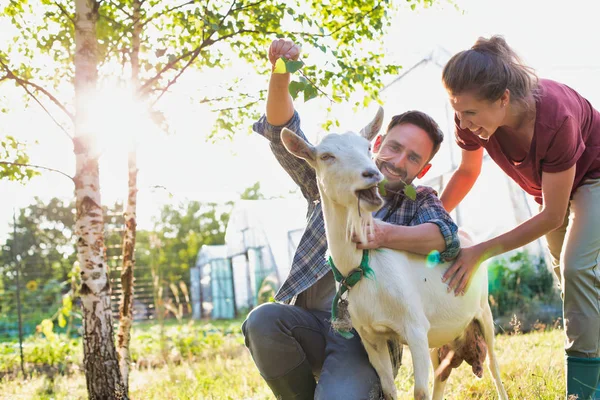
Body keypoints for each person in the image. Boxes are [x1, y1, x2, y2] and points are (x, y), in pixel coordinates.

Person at [241, 38, 460, 400]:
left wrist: (384, 234)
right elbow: (282, 132)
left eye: (413, 158)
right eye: (394, 147)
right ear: (375, 144)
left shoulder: (416, 200)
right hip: (310, 322)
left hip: (367, 336)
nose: (398, 161)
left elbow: (446, 236)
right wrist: (281, 70)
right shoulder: (326, 178)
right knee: (263, 321)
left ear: (424, 168)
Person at [440, 35, 600, 399]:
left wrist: (479, 250)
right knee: (568, 274)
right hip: (550, 188)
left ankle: (584, 391)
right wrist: (431, 217)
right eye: (457, 111)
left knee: (577, 269)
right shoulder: (470, 119)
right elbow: (467, 173)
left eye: (470, 113)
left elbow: (553, 215)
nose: (463, 123)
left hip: (594, 175)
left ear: (503, 99)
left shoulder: (556, 116)